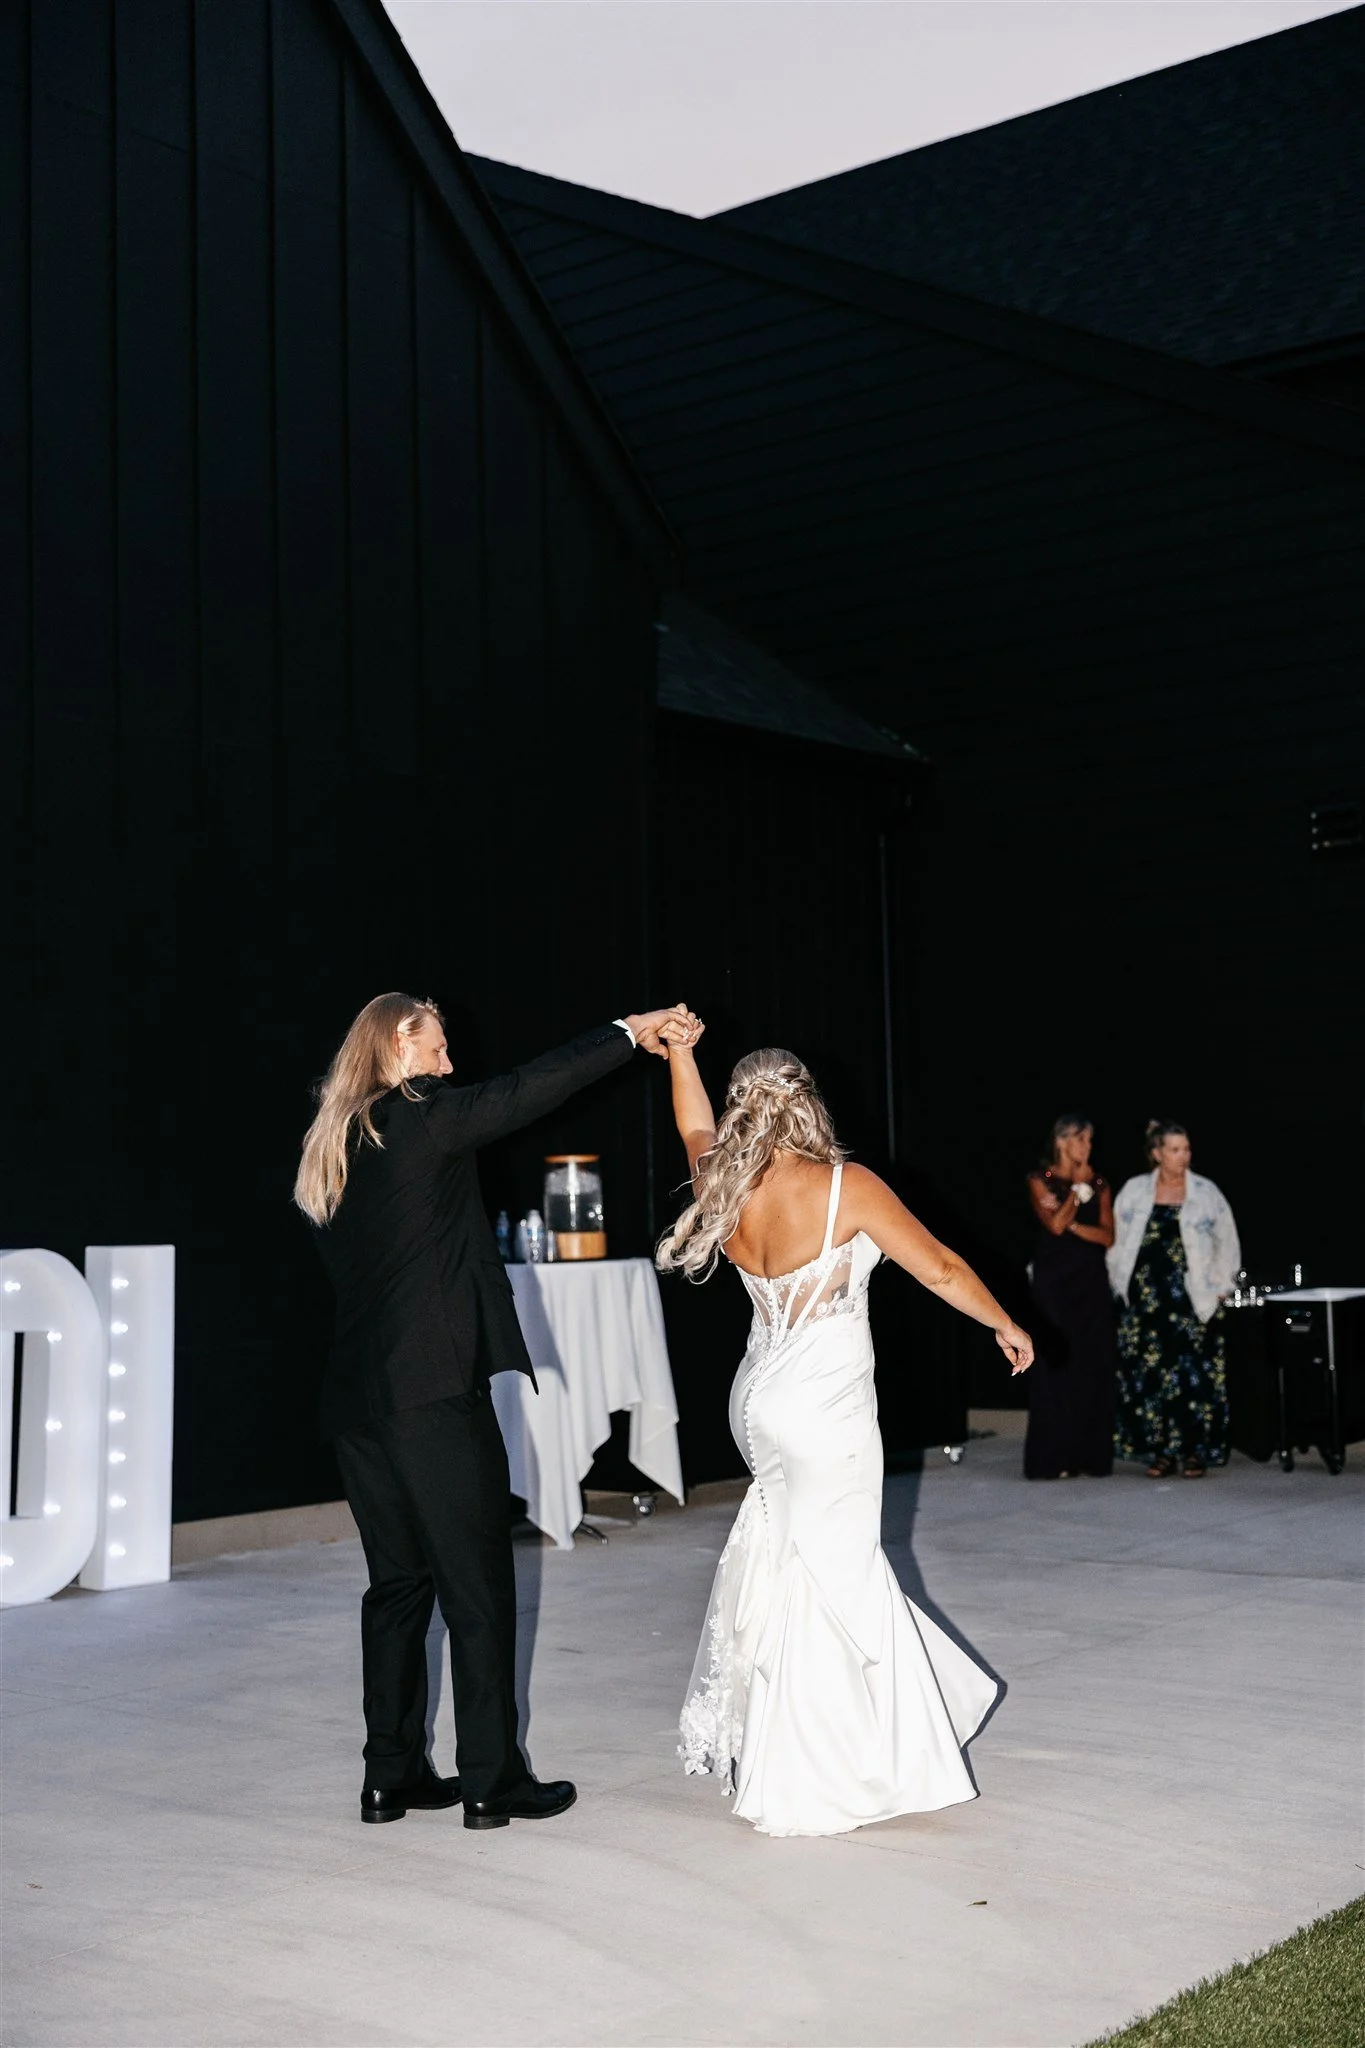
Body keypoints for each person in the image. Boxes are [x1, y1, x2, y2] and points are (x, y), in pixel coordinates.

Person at [295, 992, 698, 1828]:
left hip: (359, 1401)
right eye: (438, 1051)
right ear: (401, 1043)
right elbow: (529, 1087)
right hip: (433, 1394)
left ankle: (390, 1775)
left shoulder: (334, 1143)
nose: (449, 1067)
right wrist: (626, 1031)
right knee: (476, 1586)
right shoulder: (419, 1115)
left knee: (397, 1588)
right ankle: (490, 1779)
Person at [655, 1037, 1033, 1838]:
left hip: (755, 1399)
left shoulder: (723, 1180)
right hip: (823, 1412)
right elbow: (936, 1266)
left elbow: (692, 1126)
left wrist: (677, 1056)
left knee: (798, 1563)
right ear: (808, 1101)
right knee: (843, 1574)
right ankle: (823, 1768)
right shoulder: (843, 1187)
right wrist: (1003, 1322)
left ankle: (804, 1740)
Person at [1108, 1120, 1241, 1479]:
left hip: (1193, 1301)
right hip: (1146, 1303)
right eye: (1175, 1149)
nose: (1184, 1155)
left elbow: (1227, 1241)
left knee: (1193, 1378)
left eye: (1186, 1149)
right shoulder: (1135, 1191)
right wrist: (1117, 1282)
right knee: (1150, 1376)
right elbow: (1116, 1240)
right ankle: (1160, 1452)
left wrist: (1221, 1286)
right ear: (1157, 1154)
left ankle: (1194, 1453)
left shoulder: (1205, 1192)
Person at [1023, 1114, 1117, 1480]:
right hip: (1053, 1284)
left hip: (1090, 1282)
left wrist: (1077, 1220)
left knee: (1091, 1362)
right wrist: (1076, 1195)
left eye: (1090, 1141)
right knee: (1054, 1363)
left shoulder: (1101, 1183)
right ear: (1063, 1142)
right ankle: (1052, 1458)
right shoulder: (1038, 1180)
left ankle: (1088, 1456)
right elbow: (1055, 1225)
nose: (1088, 1148)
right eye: (1082, 1140)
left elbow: (1108, 1237)